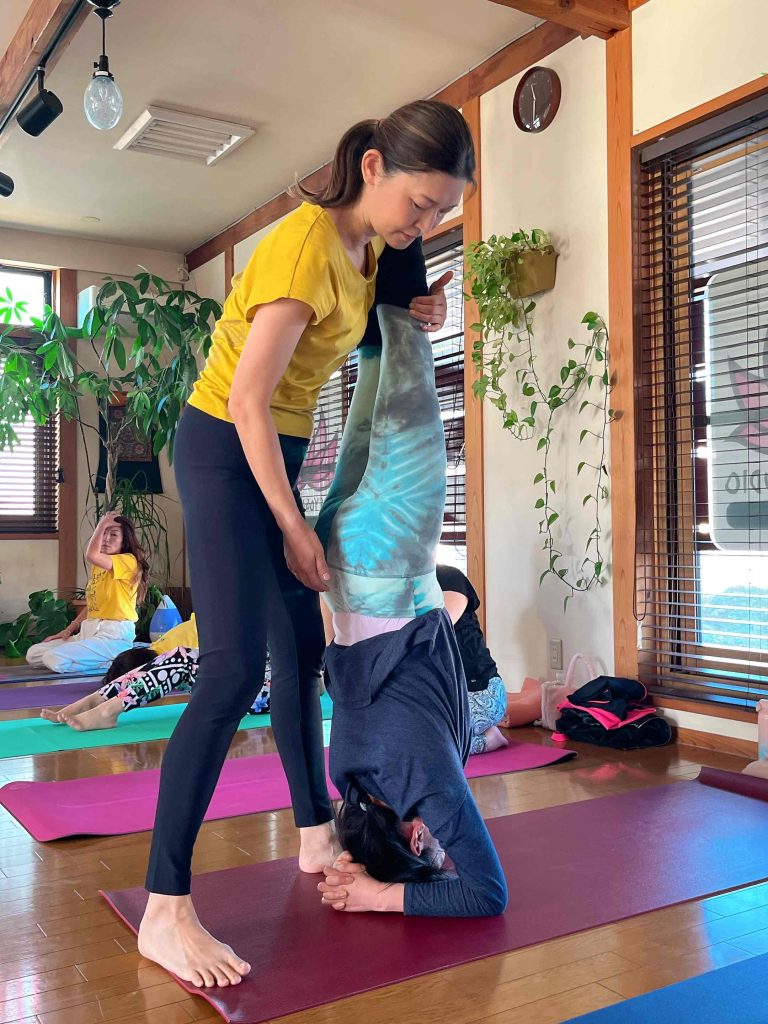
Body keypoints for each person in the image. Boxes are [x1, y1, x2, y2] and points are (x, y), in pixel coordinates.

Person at [136, 99, 475, 988]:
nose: (424, 223)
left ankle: (316, 832)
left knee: (301, 653)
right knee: (231, 671)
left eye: (442, 212)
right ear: (373, 168)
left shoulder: (375, 252)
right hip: (223, 446)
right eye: (420, 203)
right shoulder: (303, 248)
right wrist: (292, 527)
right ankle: (165, 909)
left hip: (277, 451)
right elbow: (247, 400)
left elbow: (376, 329)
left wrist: (424, 305)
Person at [314, 242, 508, 919]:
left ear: (417, 836)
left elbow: (487, 894)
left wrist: (378, 895)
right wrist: (359, 856)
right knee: (379, 357)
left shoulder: (426, 784)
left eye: (431, 850)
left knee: (408, 341)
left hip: (391, 558)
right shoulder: (348, 775)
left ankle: (401, 210)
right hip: (341, 566)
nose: (442, 848)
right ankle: (395, 227)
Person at [39, 615, 272, 731]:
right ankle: (96, 700)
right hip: (251, 675)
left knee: (181, 658)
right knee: (176, 655)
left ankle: (108, 710)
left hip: (265, 690)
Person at [26, 511, 149, 675]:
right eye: (103, 533)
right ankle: (97, 658)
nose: (105, 539)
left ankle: (112, 662)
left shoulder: (129, 561)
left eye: (113, 534)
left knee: (53, 658)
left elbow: (91, 555)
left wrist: (102, 523)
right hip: (88, 632)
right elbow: (93, 605)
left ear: (124, 541)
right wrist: (68, 630)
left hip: (112, 636)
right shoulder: (99, 566)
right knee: (34, 654)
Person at [437, 564, 509, 754]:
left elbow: (435, 630)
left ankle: (488, 740)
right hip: (443, 694)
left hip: (479, 693)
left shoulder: (448, 577)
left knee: (421, 744)